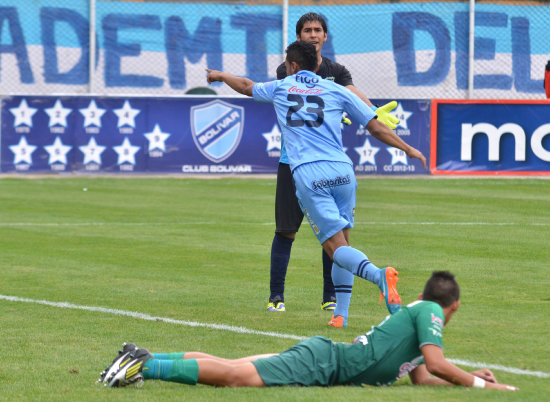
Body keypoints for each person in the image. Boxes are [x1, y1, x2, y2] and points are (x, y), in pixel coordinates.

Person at [205, 40, 426, 327]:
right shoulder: (335, 89)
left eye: (286, 63)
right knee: (344, 244)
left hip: (311, 174)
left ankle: (377, 275)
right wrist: (407, 149)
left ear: (293, 65)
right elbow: (375, 126)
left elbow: (247, 86)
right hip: (344, 172)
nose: (285, 67)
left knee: (335, 249)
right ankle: (340, 316)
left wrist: (221, 76)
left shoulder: (282, 87)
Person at [98, 271, 519, 392]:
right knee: (234, 376)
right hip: (326, 363)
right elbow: (436, 362)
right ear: (452, 307)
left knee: (232, 366)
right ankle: (145, 369)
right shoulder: (429, 308)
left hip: (327, 359)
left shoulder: (417, 317)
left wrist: (469, 379)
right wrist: (488, 389)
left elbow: (424, 374)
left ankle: (143, 358)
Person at [267, 12, 400, 314]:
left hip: (325, 163)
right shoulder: (286, 69)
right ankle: (276, 296)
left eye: (318, 30)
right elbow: (292, 97)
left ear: (326, 36)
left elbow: (351, 93)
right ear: (298, 37)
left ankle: (330, 297)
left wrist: (373, 110)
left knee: (334, 233)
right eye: (307, 30)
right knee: (286, 231)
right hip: (294, 163)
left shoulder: (337, 70)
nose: (313, 35)